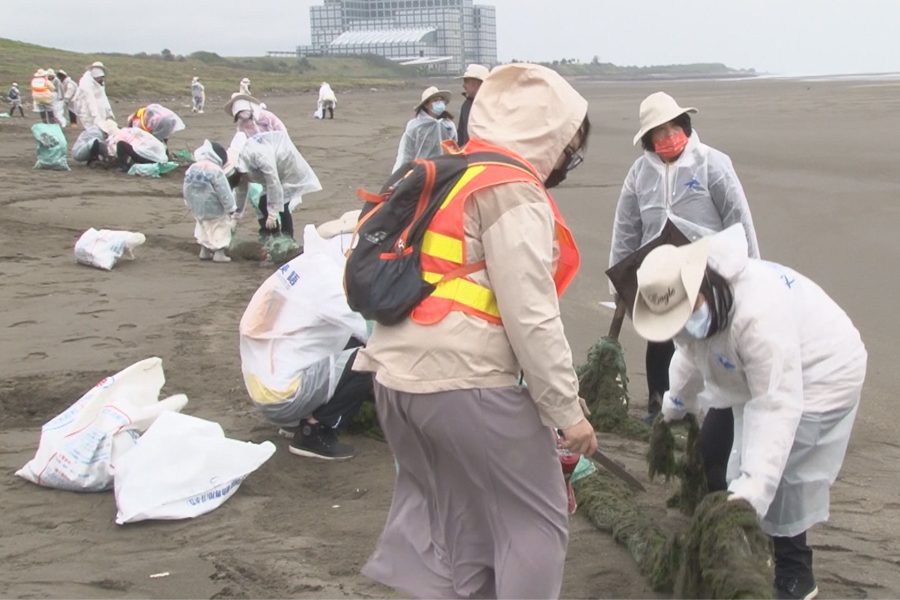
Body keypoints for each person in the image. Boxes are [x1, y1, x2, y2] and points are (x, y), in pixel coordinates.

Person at [357, 63, 596, 599]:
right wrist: (567, 413)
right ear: (546, 134)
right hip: (463, 383)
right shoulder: (513, 189)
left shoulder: (452, 169)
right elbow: (530, 315)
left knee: (465, 522)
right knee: (536, 520)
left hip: (394, 381)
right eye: (568, 146)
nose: (566, 161)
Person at [633, 224, 866, 600]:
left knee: (784, 474)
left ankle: (795, 573)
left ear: (700, 286)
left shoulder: (758, 316)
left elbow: (776, 403)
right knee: (715, 453)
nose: (683, 322)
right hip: (752, 371)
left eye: (686, 311)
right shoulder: (696, 309)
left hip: (822, 370)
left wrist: (753, 489)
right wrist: (675, 404)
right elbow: (690, 355)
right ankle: (740, 544)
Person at [609, 91, 759, 422]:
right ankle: (658, 405)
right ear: (648, 140)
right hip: (659, 266)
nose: (667, 137)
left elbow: (738, 217)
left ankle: (716, 403)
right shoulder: (638, 174)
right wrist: (619, 283)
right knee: (661, 339)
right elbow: (626, 227)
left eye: (672, 128)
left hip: (708, 265)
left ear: (684, 126)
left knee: (709, 337)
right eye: (658, 133)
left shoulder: (712, 163)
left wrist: (753, 270)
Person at [229, 130, 322, 240]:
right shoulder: (239, 167)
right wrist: (235, 217)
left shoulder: (257, 155)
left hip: (285, 162)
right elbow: (241, 190)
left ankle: (287, 239)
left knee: (283, 204)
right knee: (263, 204)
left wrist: (272, 214)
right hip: (272, 167)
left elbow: (273, 182)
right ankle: (275, 236)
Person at [183, 140, 239, 263]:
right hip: (213, 205)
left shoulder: (193, 167)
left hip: (197, 205)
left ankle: (204, 250)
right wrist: (231, 208)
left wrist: (189, 203)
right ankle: (219, 253)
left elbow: (186, 187)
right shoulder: (216, 170)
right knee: (220, 226)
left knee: (203, 225)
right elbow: (224, 191)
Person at [391, 86, 457, 173]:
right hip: (421, 171)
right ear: (426, 104)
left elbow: (454, 149)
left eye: (441, 100)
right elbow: (406, 152)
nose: (439, 103)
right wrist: (397, 176)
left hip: (443, 171)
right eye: (435, 100)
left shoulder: (448, 125)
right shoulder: (415, 126)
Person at [73, 61, 114, 129]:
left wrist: (109, 112)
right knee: (91, 127)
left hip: (99, 106)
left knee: (102, 125)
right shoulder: (85, 83)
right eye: (99, 78)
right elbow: (90, 100)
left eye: (102, 77)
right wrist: (96, 117)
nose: (101, 79)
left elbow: (103, 97)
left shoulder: (101, 82)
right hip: (85, 107)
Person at [456, 63, 489, 147]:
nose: (464, 85)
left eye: (466, 81)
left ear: (476, 83)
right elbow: (461, 134)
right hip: (470, 157)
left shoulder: (493, 105)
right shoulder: (466, 105)